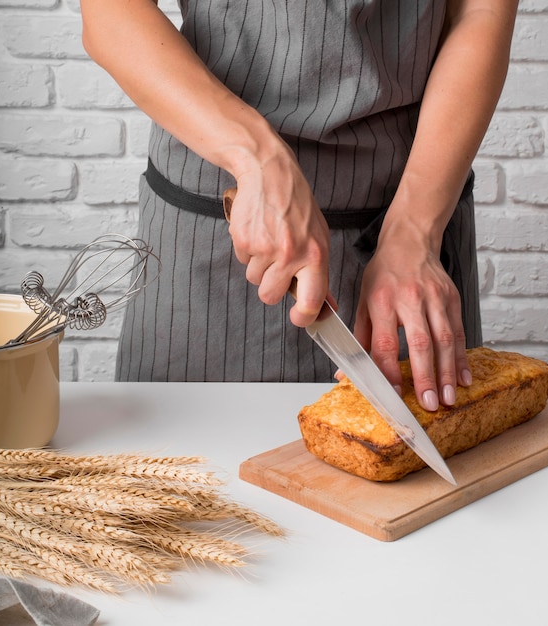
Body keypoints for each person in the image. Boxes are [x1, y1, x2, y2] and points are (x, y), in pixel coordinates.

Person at [80, 0, 518, 411]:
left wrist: (416, 231)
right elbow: (111, 12)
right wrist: (256, 157)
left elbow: (479, 11)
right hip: (213, 231)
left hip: (414, 234)